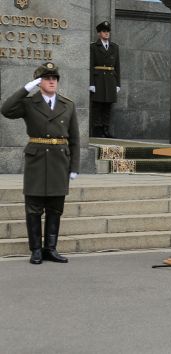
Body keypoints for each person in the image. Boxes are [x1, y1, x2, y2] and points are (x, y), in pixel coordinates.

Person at [1, 62, 79, 264]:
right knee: (33, 209)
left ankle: (50, 249)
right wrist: (26, 88)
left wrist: (75, 167)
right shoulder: (29, 103)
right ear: (39, 82)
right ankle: (36, 250)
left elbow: (75, 139)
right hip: (36, 160)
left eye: (54, 78)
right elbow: (6, 110)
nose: (52, 81)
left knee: (55, 208)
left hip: (59, 161)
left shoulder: (67, 104)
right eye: (46, 78)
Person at [89, 21, 120, 138]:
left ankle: (106, 129)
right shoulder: (93, 47)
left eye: (108, 31)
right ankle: (97, 130)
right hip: (98, 80)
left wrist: (118, 83)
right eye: (104, 31)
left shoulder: (115, 47)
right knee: (98, 106)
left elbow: (117, 66)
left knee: (108, 105)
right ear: (99, 33)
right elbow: (91, 65)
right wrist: (91, 83)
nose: (106, 34)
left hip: (111, 79)